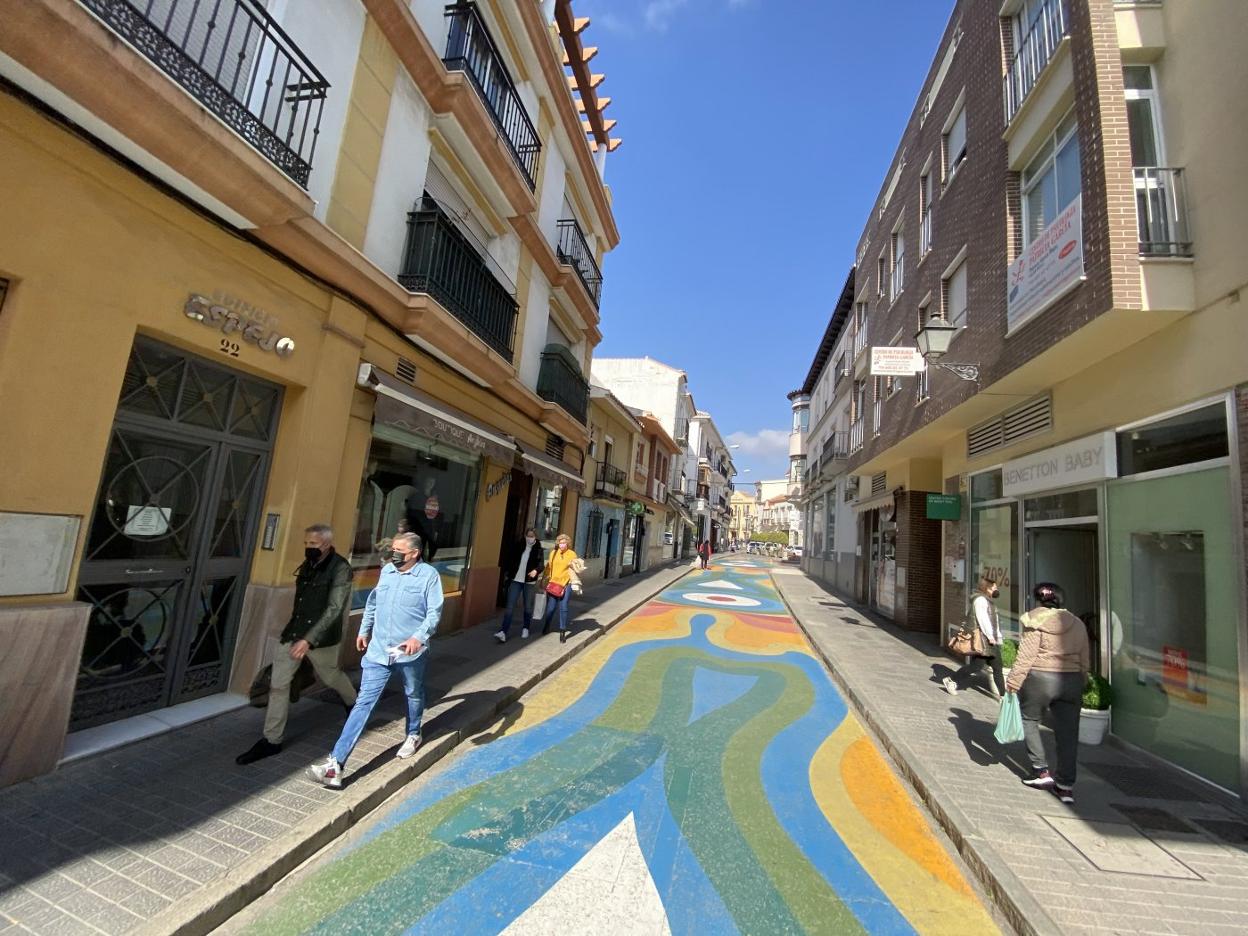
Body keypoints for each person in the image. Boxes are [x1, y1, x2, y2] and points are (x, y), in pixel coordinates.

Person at [309, 532, 442, 789]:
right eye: (393, 548)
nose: (394, 553)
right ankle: (335, 764)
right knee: (363, 704)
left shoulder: (428, 576)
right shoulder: (388, 572)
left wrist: (419, 637)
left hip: (409, 652)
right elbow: (373, 603)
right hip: (379, 650)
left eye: (399, 549)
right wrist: (363, 629)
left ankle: (413, 733)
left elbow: (435, 611)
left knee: (413, 693)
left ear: (415, 553)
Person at [237, 524, 357, 765]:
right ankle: (272, 740)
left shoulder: (341, 568)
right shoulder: (307, 566)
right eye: (306, 544)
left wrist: (309, 639)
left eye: (312, 544)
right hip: (294, 633)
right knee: (279, 686)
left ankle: (354, 704)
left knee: (331, 676)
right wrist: (296, 634)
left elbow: (335, 608)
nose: (307, 548)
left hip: (320, 638)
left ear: (325, 544)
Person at [1007, 582, 1090, 806]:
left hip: (1040, 679)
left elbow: (1026, 655)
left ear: (1039, 599)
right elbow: (1085, 658)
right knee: (1068, 733)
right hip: (1071, 680)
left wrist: (1013, 681)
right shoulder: (1078, 624)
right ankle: (1065, 787)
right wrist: (1082, 677)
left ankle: (1041, 772)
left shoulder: (1035, 621)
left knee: (1029, 719)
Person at [942, 577, 1005, 699]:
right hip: (984, 640)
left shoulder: (988, 601)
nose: (996, 589)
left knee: (995, 667)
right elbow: (983, 620)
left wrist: (998, 637)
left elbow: (994, 621)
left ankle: (1003, 696)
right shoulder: (980, 601)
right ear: (988, 588)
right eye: (994, 587)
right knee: (979, 667)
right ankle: (951, 680)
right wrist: (991, 637)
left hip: (990, 640)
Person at [495, 528, 544, 643]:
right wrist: (509, 572)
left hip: (529, 582)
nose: (530, 538)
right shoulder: (519, 545)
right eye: (528, 535)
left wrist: (536, 571)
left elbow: (541, 565)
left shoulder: (538, 549)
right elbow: (510, 559)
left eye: (532, 536)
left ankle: (526, 627)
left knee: (527, 606)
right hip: (516, 580)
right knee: (510, 606)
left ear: (535, 537)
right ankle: (503, 631)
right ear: (525, 535)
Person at [540, 533, 578, 644]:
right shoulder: (553, 553)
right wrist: (543, 579)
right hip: (554, 584)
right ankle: (547, 625)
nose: (562, 544)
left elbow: (575, 568)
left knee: (563, 607)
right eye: (560, 543)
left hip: (566, 583)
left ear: (568, 543)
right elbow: (548, 567)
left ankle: (562, 631)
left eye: (564, 542)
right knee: (551, 608)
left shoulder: (572, 554)